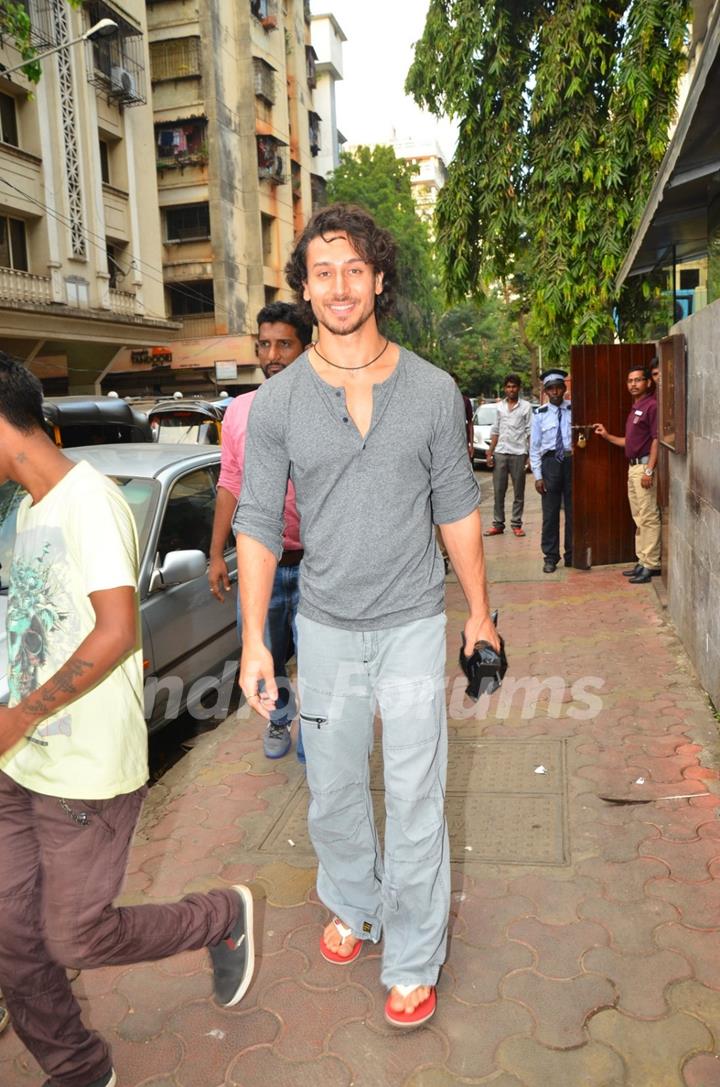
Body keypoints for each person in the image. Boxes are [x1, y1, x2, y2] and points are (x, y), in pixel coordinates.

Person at [233, 203, 500, 1029]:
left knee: (417, 791)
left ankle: (415, 953)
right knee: (334, 786)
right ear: (305, 289)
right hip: (324, 623)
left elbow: (457, 508)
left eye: (355, 269)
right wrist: (254, 642)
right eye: (324, 272)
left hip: (415, 619)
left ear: (379, 278)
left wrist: (480, 616)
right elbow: (252, 523)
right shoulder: (277, 404)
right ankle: (354, 898)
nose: (341, 286)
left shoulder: (430, 389)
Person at [0, 353, 254, 1087]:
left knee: (75, 933)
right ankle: (80, 1068)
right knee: (15, 938)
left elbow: (117, 630)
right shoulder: (25, 512)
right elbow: (36, 625)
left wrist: (21, 714)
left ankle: (220, 915)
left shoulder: (92, 501)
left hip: (81, 767)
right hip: (19, 762)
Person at [208, 302, 313, 760]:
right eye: (265, 344)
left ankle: (315, 731)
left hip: (316, 565)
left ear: (305, 348)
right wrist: (216, 553)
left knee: (319, 660)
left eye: (284, 344)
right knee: (267, 657)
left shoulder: (329, 405)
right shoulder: (239, 412)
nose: (272, 354)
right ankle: (279, 720)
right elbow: (230, 482)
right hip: (260, 567)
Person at [594, 365, 661, 583]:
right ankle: (642, 560)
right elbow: (629, 442)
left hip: (644, 468)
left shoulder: (651, 406)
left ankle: (651, 564)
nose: (633, 384)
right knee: (639, 516)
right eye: (630, 381)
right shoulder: (636, 408)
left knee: (648, 516)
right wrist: (606, 436)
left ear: (647, 383)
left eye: (638, 380)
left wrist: (649, 469)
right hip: (633, 468)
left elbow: (656, 440)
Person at [529, 370, 573, 573]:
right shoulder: (539, 414)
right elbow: (535, 447)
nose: (555, 392)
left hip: (571, 463)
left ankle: (572, 553)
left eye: (559, 387)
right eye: (551, 388)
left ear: (564, 389)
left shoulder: (574, 409)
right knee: (550, 513)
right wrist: (538, 476)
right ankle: (550, 556)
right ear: (546, 391)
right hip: (550, 465)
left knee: (573, 511)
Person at [484, 374, 532, 537]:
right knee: (499, 491)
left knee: (518, 491)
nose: (511, 389)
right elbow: (495, 430)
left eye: (514, 386)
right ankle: (498, 524)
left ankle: (516, 524)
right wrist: (490, 452)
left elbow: (529, 432)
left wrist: (531, 455)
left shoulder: (526, 407)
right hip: (500, 453)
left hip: (519, 453)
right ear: (505, 388)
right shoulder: (499, 407)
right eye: (508, 386)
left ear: (519, 388)